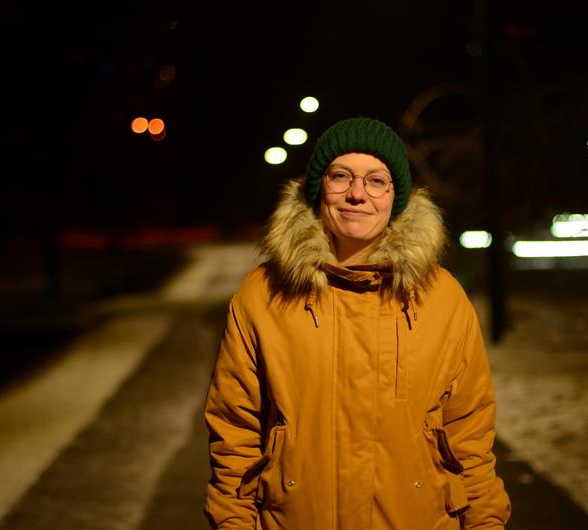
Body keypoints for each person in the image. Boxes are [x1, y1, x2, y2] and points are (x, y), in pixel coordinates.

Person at [203, 117, 511, 529]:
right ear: (319, 188)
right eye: (341, 176)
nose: (357, 194)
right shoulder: (263, 295)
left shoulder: (443, 298)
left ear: (396, 197)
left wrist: (486, 523)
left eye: (376, 181)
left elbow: (469, 434)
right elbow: (234, 432)